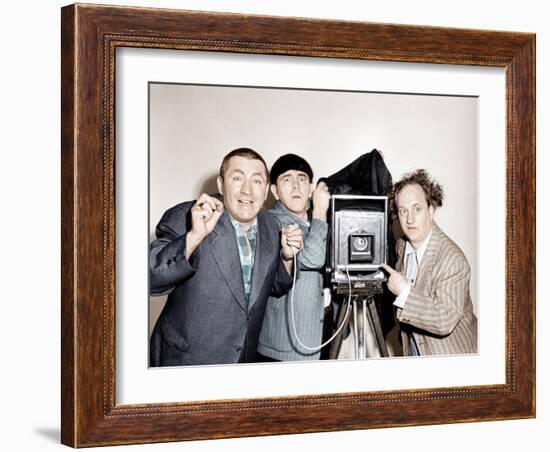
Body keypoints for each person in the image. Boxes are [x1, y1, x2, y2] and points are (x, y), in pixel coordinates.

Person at [149, 148, 304, 366]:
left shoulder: (271, 225)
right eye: (238, 178)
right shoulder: (187, 215)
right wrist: (194, 237)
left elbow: (274, 287)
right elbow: (147, 279)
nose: (247, 190)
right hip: (186, 362)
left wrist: (287, 258)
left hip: (242, 364)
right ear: (221, 185)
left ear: (267, 189)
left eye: (257, 181)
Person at [381, 169, 477, 356]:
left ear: (431, 211)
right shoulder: (402, 246)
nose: (409, 219)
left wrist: (404, 292)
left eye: (417, 209)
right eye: (403, 211)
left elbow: (444, 319)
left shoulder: (453, 260)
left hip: (451, 357)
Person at [257, 154, 331, 362]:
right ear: (274, 191)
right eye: (287, 179)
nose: (296, 186)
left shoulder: (317, 222)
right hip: (281, 349)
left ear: (311, 188)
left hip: (318, 341)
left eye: (302, 179)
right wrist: (319, 211)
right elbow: (314, 258)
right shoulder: (270, 220)